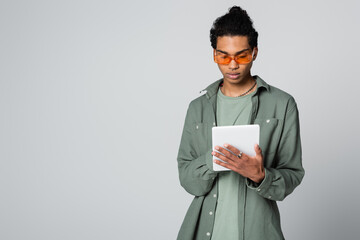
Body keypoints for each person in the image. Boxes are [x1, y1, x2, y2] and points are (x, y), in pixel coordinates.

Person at [176, 6, 305, 240]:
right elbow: (187, 179)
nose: (232, 65)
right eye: (223, 56)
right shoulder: (198, 107)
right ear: (214, 54)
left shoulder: (282, 104)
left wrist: (261, 175)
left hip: (259, 232)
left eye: (242, 55)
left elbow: (293, 174)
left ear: (254, 53)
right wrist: (213, 159)